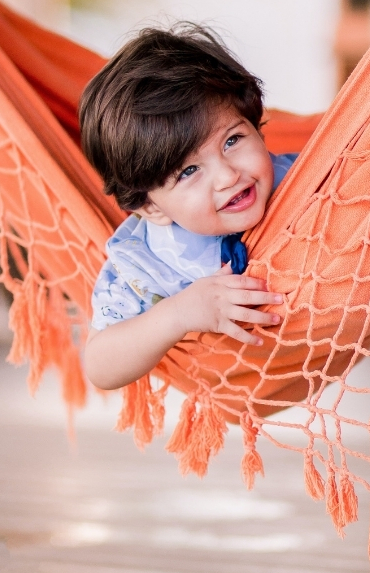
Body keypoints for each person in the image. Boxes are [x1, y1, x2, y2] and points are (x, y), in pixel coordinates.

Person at [79, 24, 294, 390]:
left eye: (233, 140)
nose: (228, 176)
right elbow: (99, 365)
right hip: (231, 376)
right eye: (190, 171)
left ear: (257, 128)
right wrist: (178, 314)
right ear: (151, 208)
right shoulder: (147, 263)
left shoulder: (299, 180)